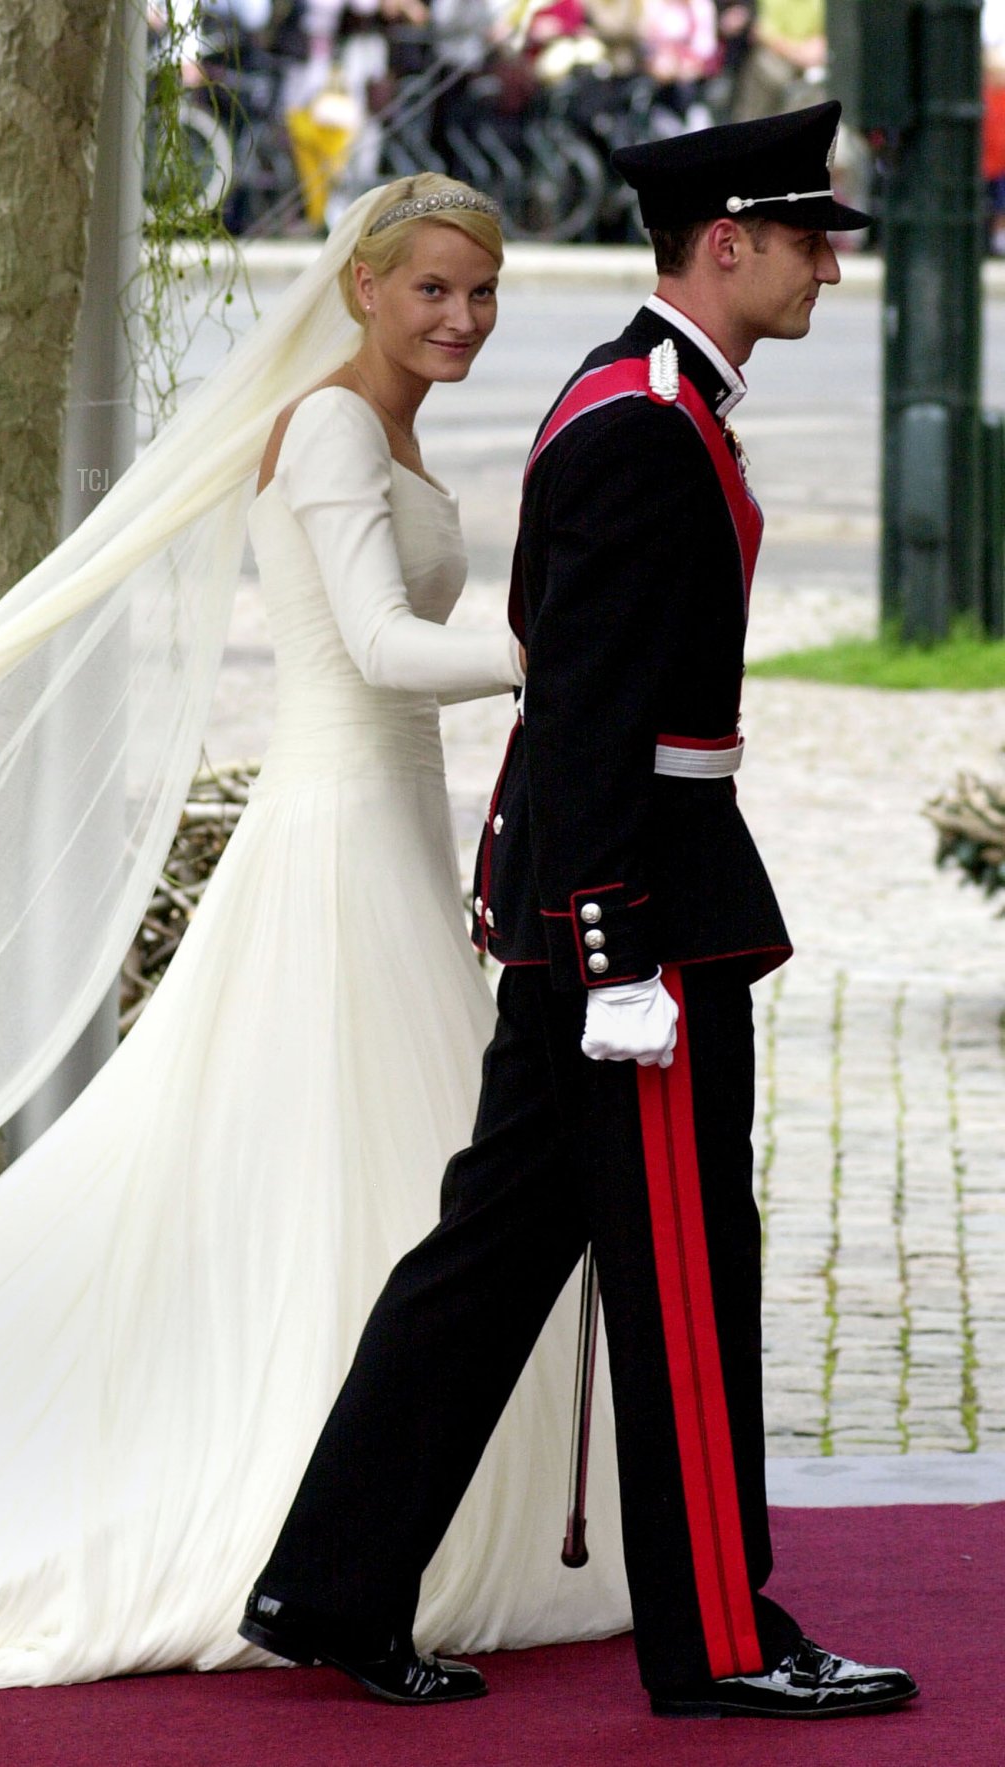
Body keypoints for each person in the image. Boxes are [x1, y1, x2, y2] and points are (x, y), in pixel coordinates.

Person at [0, 174, 631, 1700]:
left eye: (486, 291)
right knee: (373, 1179)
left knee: (412, 1174)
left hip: (396, 834)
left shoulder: (385, 426)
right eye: (435, 289)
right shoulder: (326, 426)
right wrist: (562, 647)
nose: (464, 318)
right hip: (334, 838)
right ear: (364, 286)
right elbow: (381, 650)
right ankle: (322, 1532)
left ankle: (373, 1522)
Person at [242, 107, 920, 1720]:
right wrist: (619, 956)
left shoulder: (662, 400)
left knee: (493, 1253)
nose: (832, 259)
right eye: (808, 235)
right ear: (725, 244)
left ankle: (329, 1579)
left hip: (616, 900)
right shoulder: (639, 421)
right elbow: (592, 708)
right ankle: (723, 1643)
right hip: (642, 918)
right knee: (683, 1266)